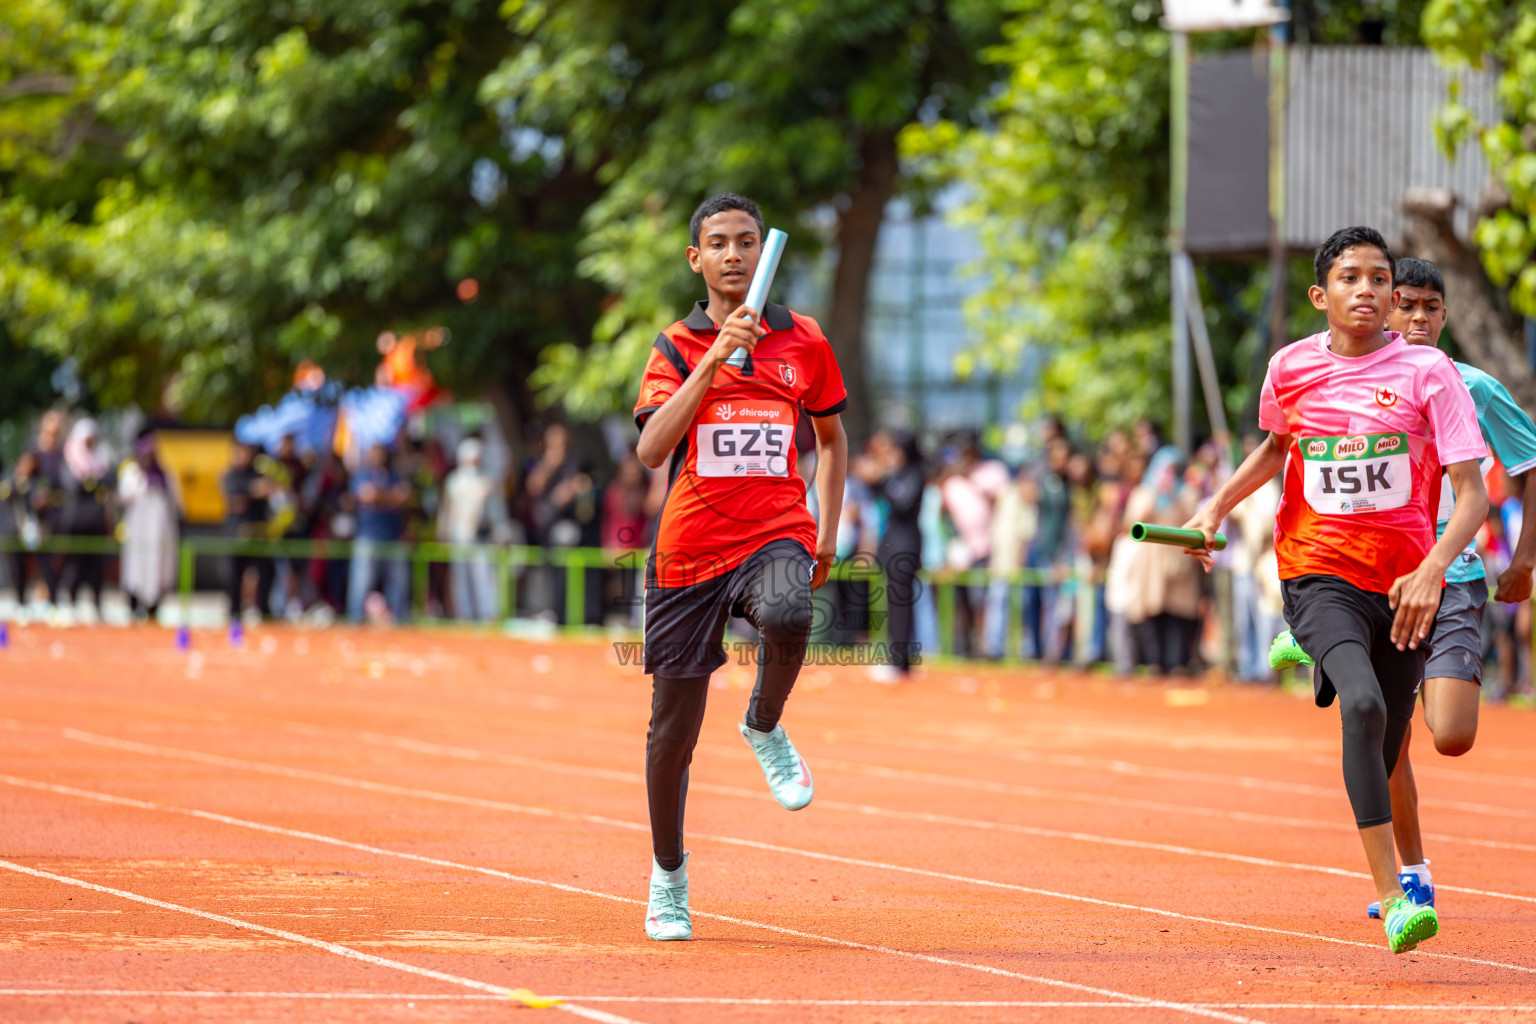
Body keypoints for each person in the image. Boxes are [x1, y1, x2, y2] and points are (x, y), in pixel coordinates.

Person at [1184, 226, 1488, 954]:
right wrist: (1213, 509)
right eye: (1351, 278)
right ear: (1322, 295)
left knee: (1387, 740)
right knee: (1360, 702)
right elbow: (1276, 447)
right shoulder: (1289, 368)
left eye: (1380, 279)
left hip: (1408, 581)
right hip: (1316, 569)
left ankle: (1345, 694)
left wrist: (1434, 568)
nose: (1369, 291)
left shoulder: (1429, 373)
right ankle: (1396, 895)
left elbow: (1472, 495)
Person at [1272, 256, 1536, 920]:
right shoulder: (1352, 379)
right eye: (1406, 305)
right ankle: (1410, 875)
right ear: (1387, 308)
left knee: (1450, 734)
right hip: (1370, 577)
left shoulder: (1470, 386)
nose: (1416, 319)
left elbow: (1529, 465)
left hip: (1453, 577)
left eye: (1430, 308)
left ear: (1445, 316)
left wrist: (1525, 559)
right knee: (1382, 720)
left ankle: (1335, 655)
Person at [631, 192, 847, 941]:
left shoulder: (804, 340)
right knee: (672, 734)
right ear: (697, 259)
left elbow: (834, 438)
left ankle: (764, 724)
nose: (733, 254)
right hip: (688, 551)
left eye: (746, 242)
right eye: (718, 243)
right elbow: (652, 448)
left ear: (763, 252)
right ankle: (668, 879)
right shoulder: (674, 345)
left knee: (791, 611)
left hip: (776, 532)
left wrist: (827, 526)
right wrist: (713, 363)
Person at [437, 437, 510, 622]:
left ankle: (488, 614)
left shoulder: (487, 481)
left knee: (483, 577)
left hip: (481, 537)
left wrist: (501, 533)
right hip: (459, 537)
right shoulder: (453, 482)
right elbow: (447, 510)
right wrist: (443, 533)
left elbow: (496, 511)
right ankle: (464, 614)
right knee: (460, 579)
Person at [118, 433, 180, 621]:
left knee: (157, 567)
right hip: (138, 530)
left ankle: (154, 607)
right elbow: (125, 497)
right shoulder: (132, 473)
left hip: (159, 532)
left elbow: (176, 503)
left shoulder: (164, 475)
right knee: (136, 568)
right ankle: (134, 604)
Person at [348, 442, 412, 623]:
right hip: (368, 536)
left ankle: (400, 621)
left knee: (399, 584)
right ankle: (355, 621)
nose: (377, 457)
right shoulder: (362, 476)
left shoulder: (394, 476)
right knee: (361, 584)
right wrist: (390, 499)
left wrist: (380, 498)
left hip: (392, 536)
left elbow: (403, 498)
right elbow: (367, 498)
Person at [59, 418, 113, 619]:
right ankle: (71, 602)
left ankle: (96, 604)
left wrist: (94, 483)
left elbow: (108, 481)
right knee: (75, 563)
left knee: (97, 566)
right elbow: (74, 485)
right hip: (77, 520)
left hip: (96, 521)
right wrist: (92, 484)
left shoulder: (99, 457)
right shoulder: (71, 457)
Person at [223, 441, 276, 621]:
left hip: (258, 534)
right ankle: (234, 615)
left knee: (265, 573)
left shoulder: (257, 472)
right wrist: (253, 491)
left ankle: (264, 612)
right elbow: (237, 501)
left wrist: (257, 491)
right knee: (235, 577)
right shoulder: (230, 475)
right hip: (236, 534)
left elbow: (269, 489)